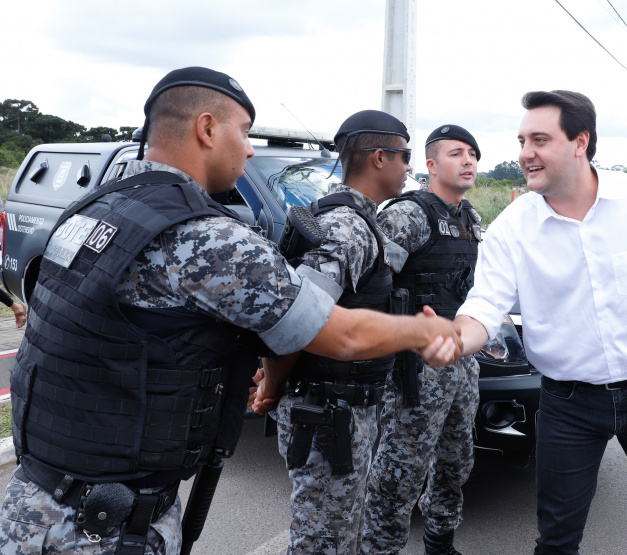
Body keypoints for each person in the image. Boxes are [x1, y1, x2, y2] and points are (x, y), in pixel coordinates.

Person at [0, 67, 460, 555]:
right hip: (103, 529)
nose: (250, 148)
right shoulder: (208, 238)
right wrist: (421, 331)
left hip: (33, 504)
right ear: (207, 129)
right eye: (243, 131)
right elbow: (336, 333)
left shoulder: (88, 210)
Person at [454, 90, 627, 555]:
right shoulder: (512, 227)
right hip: (567, 403)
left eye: (540, 139)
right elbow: (484, 304)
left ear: (581, 142)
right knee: (557, 538)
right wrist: (454, 338)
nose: (525, 153)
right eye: (522, 140)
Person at [251, 109, 418, 555]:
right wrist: (271, 383)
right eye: (405, 157)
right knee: (322, 540)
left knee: (339, 533)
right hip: (327, 412)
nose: (409, 168)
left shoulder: (362, 222)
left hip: (342, 408)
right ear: (379, 157)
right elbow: (296, 318)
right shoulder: (346, 228)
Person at [362, 124, 483, 555]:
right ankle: (379, 549)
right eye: (456, 154)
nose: (468, 160)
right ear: (431, 165)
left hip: (461, 358)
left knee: (457, 459)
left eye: (472, 153)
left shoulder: (469, 219)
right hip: (413, 364)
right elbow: (372, 286)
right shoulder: (408, 215)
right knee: (400, 471)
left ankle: (440, 541)